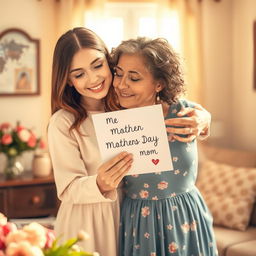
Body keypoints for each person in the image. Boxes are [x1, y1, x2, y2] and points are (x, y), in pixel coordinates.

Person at [47, 27, 211, 256]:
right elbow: (66, 188)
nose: (93, 78)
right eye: (79, 74)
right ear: (68, 80)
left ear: (108, 62)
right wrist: (101, 183)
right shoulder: (63, 122)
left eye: (97, 65)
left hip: (128, 218)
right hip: (88, 222)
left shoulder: (124, 106)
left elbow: (173, 106)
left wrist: (204, 119)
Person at [109, 37, 218, 256]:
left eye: (134, 77)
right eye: (119, 74)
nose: (121, 84)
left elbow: (203, 123)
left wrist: (206, 120)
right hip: (140, 222)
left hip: (186, 218)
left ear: (159, 84)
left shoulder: (182, 112)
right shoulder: (113, 120)